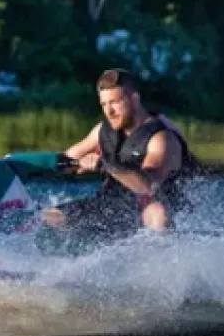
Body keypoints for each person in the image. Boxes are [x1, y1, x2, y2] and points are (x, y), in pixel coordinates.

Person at [41, 68, 196, 244]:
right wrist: (24, 167)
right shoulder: (102, 130)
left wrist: (103, 164)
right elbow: (65, 159)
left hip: (149, 212)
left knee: (157, 213)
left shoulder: (161, 139)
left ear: (135, 99)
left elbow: (147, 186)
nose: (109, 111)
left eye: (115, 102)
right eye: (104, 104)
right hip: (110, 207)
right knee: (48, 218)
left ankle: (155, 265)